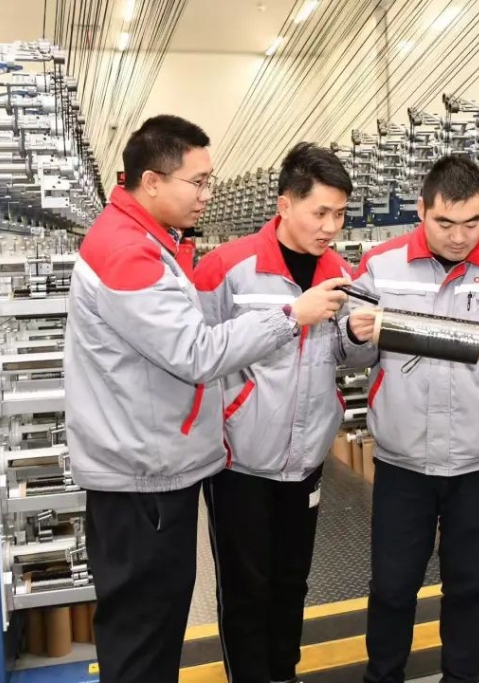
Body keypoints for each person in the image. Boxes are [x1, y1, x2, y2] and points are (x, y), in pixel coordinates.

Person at [64, 116, 347, 683]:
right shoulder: (128, 251)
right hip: (143, 473)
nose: (207, 194)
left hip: (158, 466)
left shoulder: (150, 244)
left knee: (156, 627)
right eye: (197, 181)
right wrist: (290, 315)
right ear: (151, 181)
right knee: (145, 635)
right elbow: (196, 352)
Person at [344, 155, 479, 683]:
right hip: (403, 460)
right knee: (392, 587)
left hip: (478, 461)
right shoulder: (381, 265)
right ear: (421, 210)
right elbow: (348, 352)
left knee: (468, 585)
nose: (459, 237)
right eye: (445, 223)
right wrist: (354, 334)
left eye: (472, 223)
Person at [193, 142, 364, 683]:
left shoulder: (343, 272)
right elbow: (196, 354)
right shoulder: (226, 268)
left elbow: (347, 357)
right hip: (239, 461)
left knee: (293, 580)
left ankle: (284, 674)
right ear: (285, 204)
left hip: (306, 458)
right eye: (321, 212)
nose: (331, 227)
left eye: (340, 214)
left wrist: (361, 338)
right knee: (246, 587)